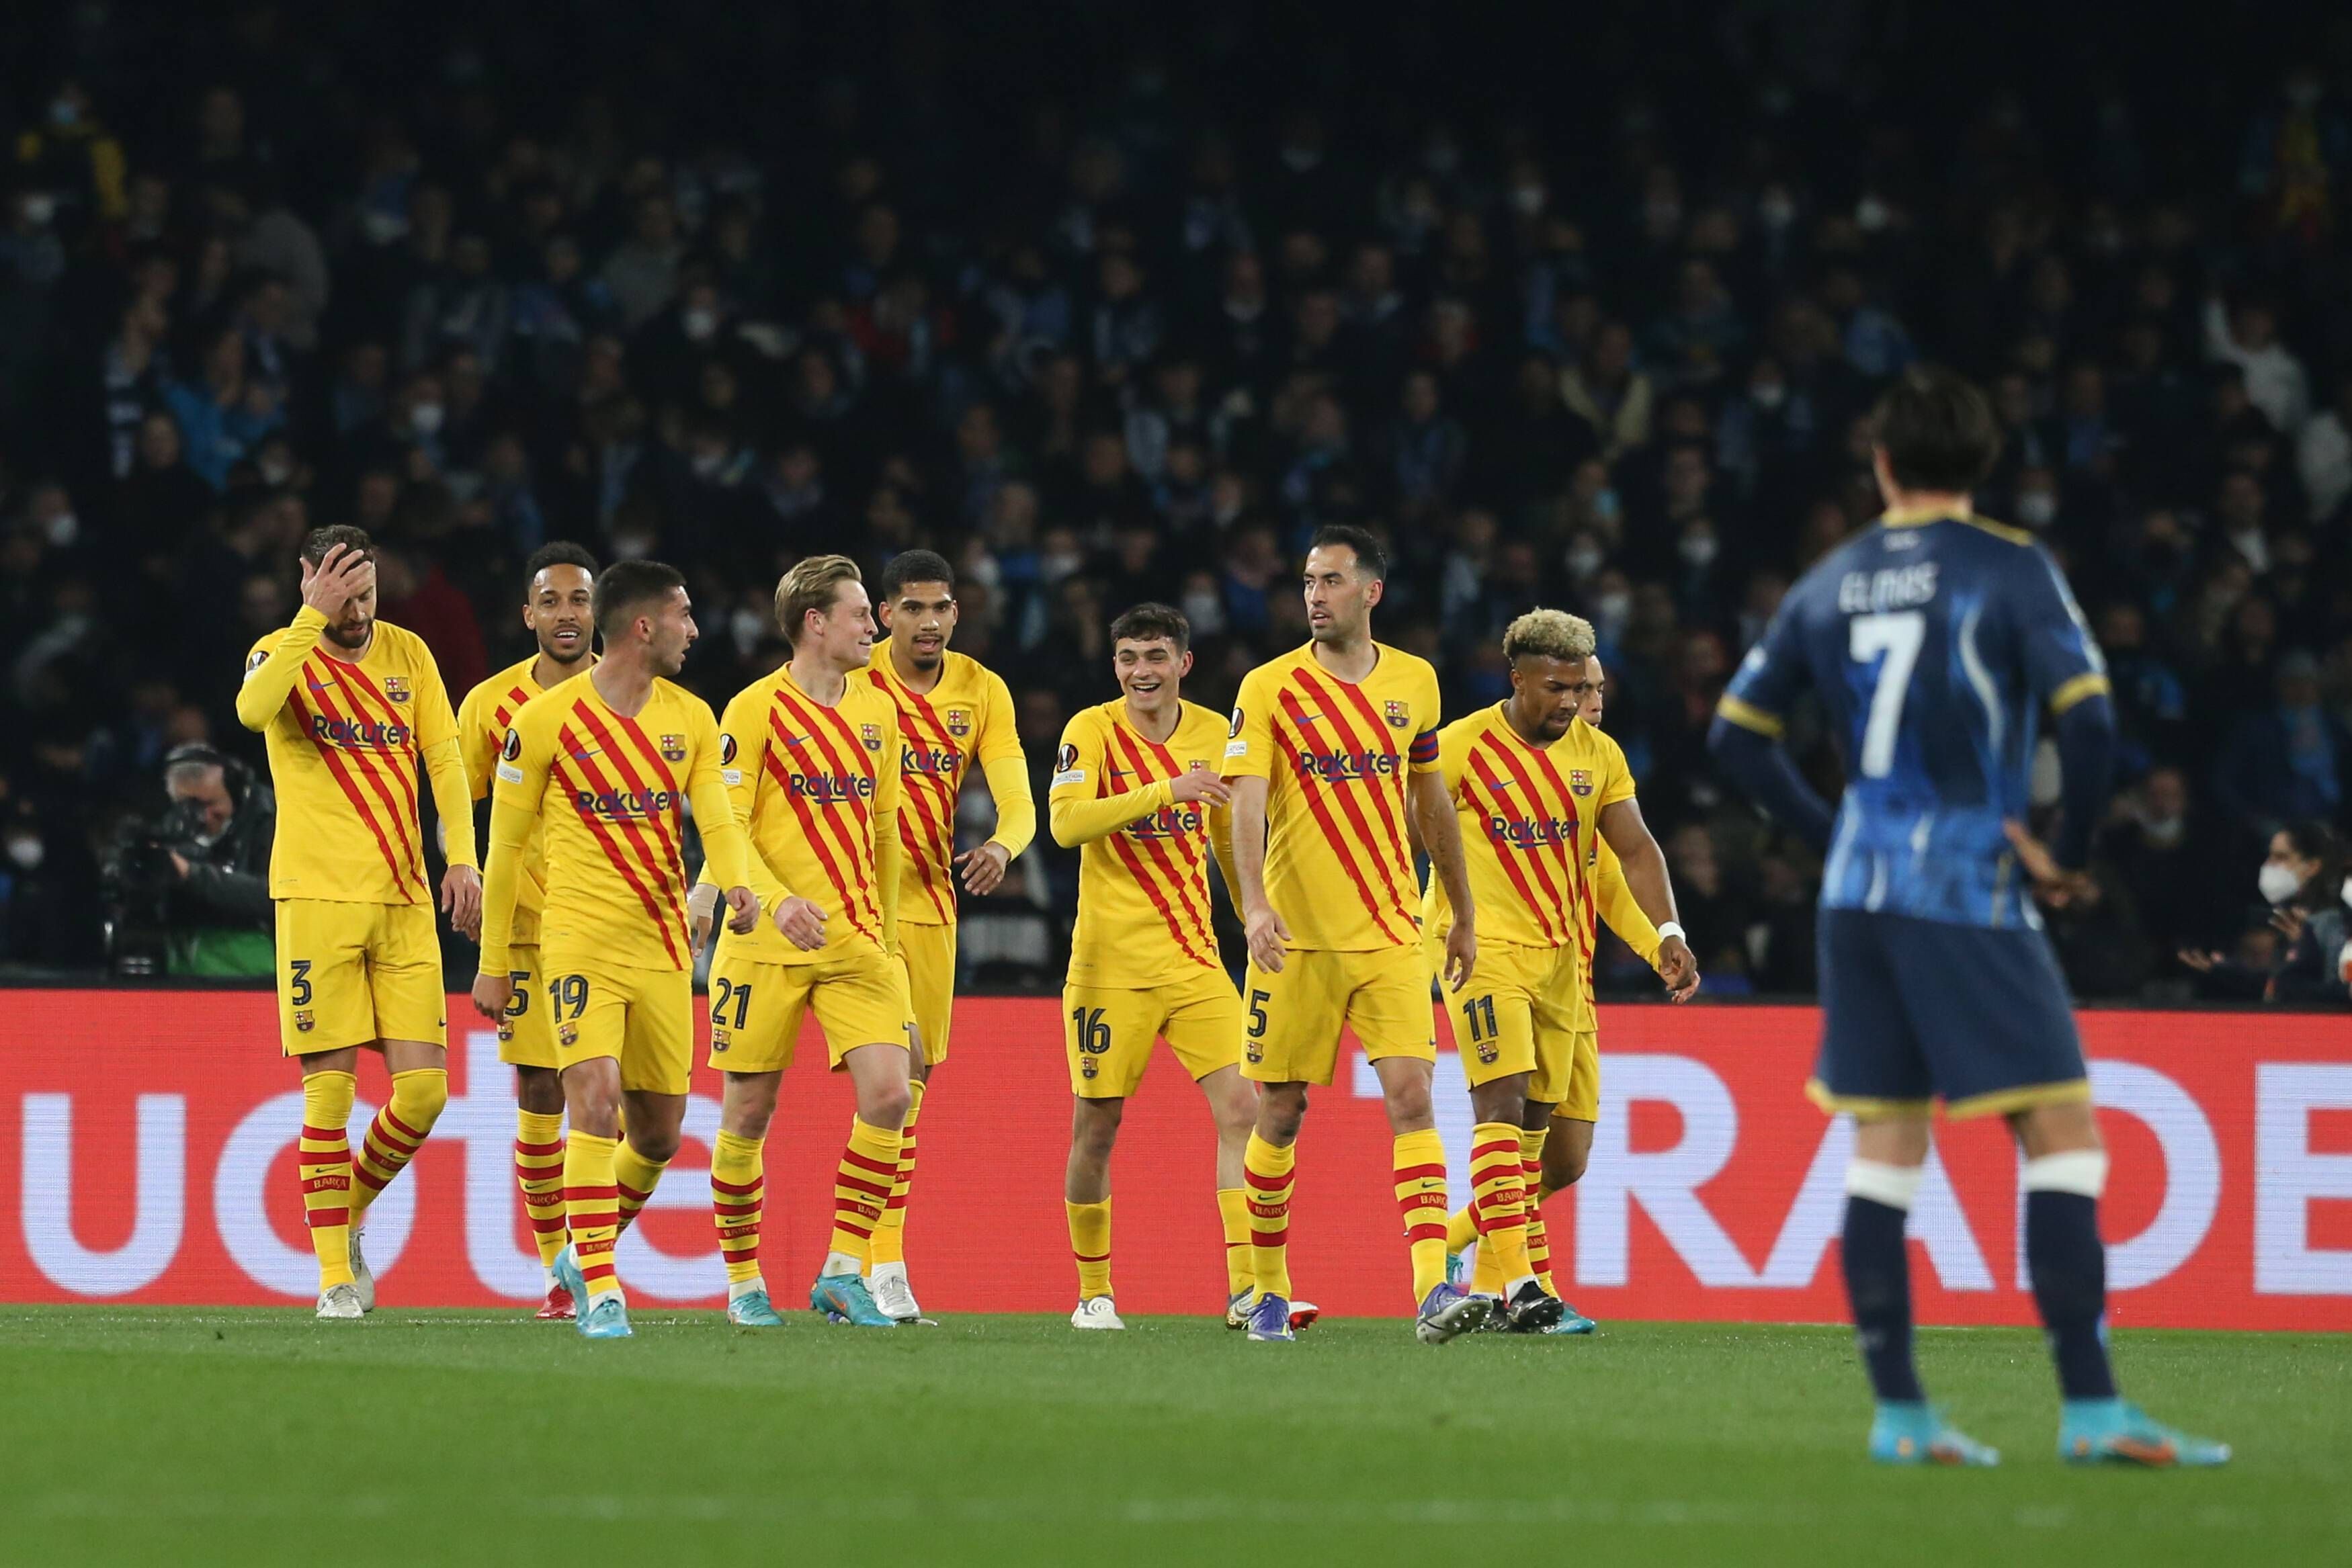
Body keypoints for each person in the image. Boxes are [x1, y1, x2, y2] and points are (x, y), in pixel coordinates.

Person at [1709, 365, 2227, 1467]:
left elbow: (1734, 736)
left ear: (1883, 463)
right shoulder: (2009, 567)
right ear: (1983, 466)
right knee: (2062, 1132)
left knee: (1885, 1144)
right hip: (1964, 880)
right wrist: (2069, 854)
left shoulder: (1831, 579)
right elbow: (2089, 723)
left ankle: (1901, 1414)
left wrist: (1833, 826)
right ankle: (2091, 1408)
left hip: (1858, 889)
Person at [470, 560, 757, 1340]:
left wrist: (734, 885)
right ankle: (599, 1285)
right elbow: (504, 848)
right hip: (575, 944)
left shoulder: (693, 719)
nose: (695, 630)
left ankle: (579, 1253)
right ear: (644, 627)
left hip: (664, 949)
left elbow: (719, 822)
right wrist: (495, 960)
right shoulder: (544, 721)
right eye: (684, 615)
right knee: (590, 1104)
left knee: (659, 1134)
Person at [1222, 523, 1484, 1344]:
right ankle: (1265, 1291)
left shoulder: (1414, 682)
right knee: (1282, 1111)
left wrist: (1461, 909)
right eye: (1307, 580)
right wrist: (1254, 908)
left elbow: (1430, 803)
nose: (1313, 594)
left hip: (1390, 933)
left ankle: (1430, 1293)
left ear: (1370, 591)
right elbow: (1244, 802)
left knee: (1411, 1100)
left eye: (1330, 581)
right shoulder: (1267, 687)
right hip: (1292, 941)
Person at [235, 526, 481, 1320]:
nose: (357, 610)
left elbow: (444, 759)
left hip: (405, 899)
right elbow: (250, 712)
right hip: (315, 900)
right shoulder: (281, 650)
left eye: (367, 593)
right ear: (309, 581)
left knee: (423, 1097)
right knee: (328, 1096)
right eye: (342, 594)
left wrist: (462, 859)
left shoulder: (409, 654)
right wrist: (311, 620)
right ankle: (335, 1277)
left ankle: (343, 1209)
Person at [1427, 623, 1697, 1333]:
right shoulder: (1459, 747)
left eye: (1584, 688)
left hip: (1561, 966)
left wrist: (1665, 934)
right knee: (1503, 1104)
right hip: (1482, 952)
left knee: (1559, 1153)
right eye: (1559, 688)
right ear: (1515, 679)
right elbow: (1402, 831)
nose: (1575, 702)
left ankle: (1460, 1254)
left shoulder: (1597, 755)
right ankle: (1517, 1285)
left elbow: (1631, 854)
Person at [691, 555, 918, 1330]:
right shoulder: (752, 711)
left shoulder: (878, 711)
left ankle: (842, 1270)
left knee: (891, 1095)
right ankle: (743, 1282)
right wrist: (777, 901)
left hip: (855, 941)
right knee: (748, 1116)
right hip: (762, 942)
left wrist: (886, 938)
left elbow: (884, 829)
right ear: (815, 624)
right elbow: (726, 829)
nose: (873, 626)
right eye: (861, 613)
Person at [1046, 602, 1261, 1331]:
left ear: (1183, 663)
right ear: (1116, 666)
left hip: (1196, 960)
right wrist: (1165, 791)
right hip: (1109, 968)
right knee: (1097, 1130)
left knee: (1245, 1110)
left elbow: (1230, 837)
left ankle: (1245, 1290)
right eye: (1129, 658)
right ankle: (1093, 1293)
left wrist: (1251, 915)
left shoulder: (1214, 732)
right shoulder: (1091, 730)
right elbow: (1067, 825)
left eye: (1156, 657)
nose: (1142, 671)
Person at [859, 549, 1036, 1323]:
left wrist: (1001, 845)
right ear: (884, 614)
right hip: (848, 904)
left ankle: (870, 1260)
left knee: (910, 1086)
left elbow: (1018, 800)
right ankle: (869, 1266)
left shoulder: (980, 690)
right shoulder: (850, 674)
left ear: (955, 613)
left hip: (929, 907)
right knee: (775, 1091)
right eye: (913, 608)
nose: (928, 622)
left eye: (941, 608)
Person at [454, 541, 600, 1321]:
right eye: (552, 601)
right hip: (528, 930)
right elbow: (455, 802)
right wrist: (460, 869)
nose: (567, 614)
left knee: (610, 1097)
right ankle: (558, 1271)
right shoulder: (488, 704)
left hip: (616, 926)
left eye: (579, 600)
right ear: (528, 615)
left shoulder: (639, 698)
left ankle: (591, 1255)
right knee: (543, 1089)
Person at [2179, 820, 2348, 1005]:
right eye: (2270, 856)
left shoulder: (2334, 924)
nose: (2269, 864)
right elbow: (2274, 987)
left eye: (2281, 857)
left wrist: (2306, 950)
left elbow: (2333, 995)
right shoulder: (2283, 918)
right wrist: (2225, 972)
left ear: (2312, 866)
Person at [155, 741, 274, 976]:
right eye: (189, 805)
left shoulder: (269, 820)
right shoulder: (176, 825)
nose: (203, 816)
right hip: (186, 970)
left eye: (210, 803)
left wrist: (191, 874)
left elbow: (272, 896)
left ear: (235, 789)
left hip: (257, 973)